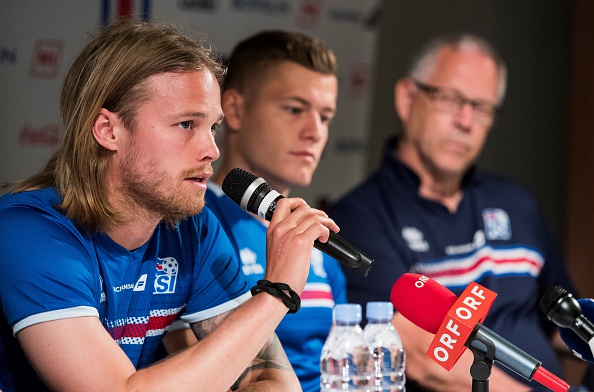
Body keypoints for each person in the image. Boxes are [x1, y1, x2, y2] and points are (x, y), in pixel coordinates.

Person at [0, 20, 340, 392]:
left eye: (212, 127)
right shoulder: (29, 231)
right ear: (108, 130)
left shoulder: (193, 229)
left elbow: (267, 377)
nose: (211, 149)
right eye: (185, 124)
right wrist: (277, 292)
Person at [329, 33, 581, 391]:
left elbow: (564, 324)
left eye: (481, 107)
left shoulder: (517, 202)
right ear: (406, 98)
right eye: (450, 99)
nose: (466, 121)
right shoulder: (359, 218)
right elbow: (421, 356)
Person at [162, 30, 347, 392]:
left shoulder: (317, 235)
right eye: (294, 109)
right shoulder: (188, 223)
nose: (314, 132)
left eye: (325, 117)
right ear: (234, 109)